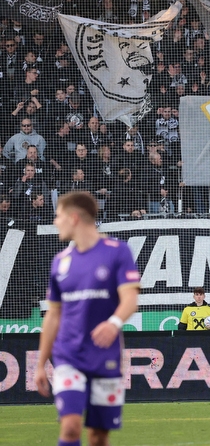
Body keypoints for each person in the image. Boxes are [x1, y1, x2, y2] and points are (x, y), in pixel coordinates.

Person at [35, 191, 140, 446]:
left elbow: (130, 300)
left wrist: (113, 323)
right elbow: (53, 315)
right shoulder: (60, 262)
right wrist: (40, 364)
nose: (54, 221)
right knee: (70, 427)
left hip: (106, 357)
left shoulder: (118, 252)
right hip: (69, 356)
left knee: (98, 436)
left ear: (73, 218)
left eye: (57, 215)